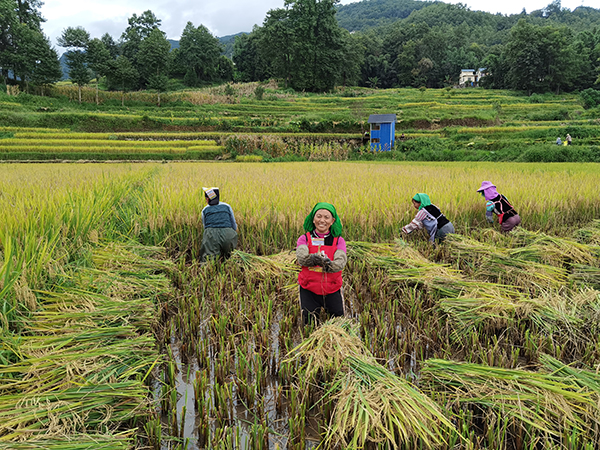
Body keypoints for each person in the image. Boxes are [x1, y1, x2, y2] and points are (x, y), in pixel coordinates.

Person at [296, 202, 347, 325]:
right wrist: (314, 259)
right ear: (313, 219)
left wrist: (329, 265)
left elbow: (340, 261)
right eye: (318, 216)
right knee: (309, 325)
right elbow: (302, 258)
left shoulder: (338, 240)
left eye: (326, 217)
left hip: (332, 289)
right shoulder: (304, 239)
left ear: (332, 221)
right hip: (309, 289)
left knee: (338, 324)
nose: (322, 220)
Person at [199, 187, 238, 262]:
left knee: (208, 259)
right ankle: (232, 270)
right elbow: (234, 225)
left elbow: (205, 227)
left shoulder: (205, 209)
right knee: (232, 257)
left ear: (207, 199)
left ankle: (208, 271)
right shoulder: (227, 206)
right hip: (228, 233)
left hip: (211, 234)